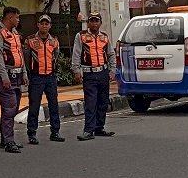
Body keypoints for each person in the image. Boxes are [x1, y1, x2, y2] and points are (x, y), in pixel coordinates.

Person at [71, 11, 117, 141]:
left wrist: (112, 70)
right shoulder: (81, 36)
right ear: (88, 23)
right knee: (91, 102)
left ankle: (99, 128)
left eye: (96, 21)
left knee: (103, 102)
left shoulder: (104, 37)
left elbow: (111, 54)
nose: (94, 23)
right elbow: (76, 53)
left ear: (100, 23)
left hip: (103, 73)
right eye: (92, 21)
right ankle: (88, 130)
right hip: (89, 73)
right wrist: (76, 70)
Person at [0, 6, 28, 153]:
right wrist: (4, 77)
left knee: (13, 108)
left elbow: (20, 55)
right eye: (16, 18)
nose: (18, 20)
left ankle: (5, 139)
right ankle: (9, 141)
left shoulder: (15, 34)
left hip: (17, 75)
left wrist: (24, 73)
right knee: (9, 108)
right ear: (9, 17)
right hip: (6, 77)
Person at [23, 14, 65, 144]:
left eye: (47, 24)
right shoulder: (30, 40)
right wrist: (28, 74)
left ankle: (55, 132)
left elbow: (56, 56)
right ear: (38, 25)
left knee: (54, 105)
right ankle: (32, 133)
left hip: (51, 77)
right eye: (42, 23)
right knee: (34, 106)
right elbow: (26, 58)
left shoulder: (54, 41)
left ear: (50, 26)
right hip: (36, 78)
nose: (44, 26)